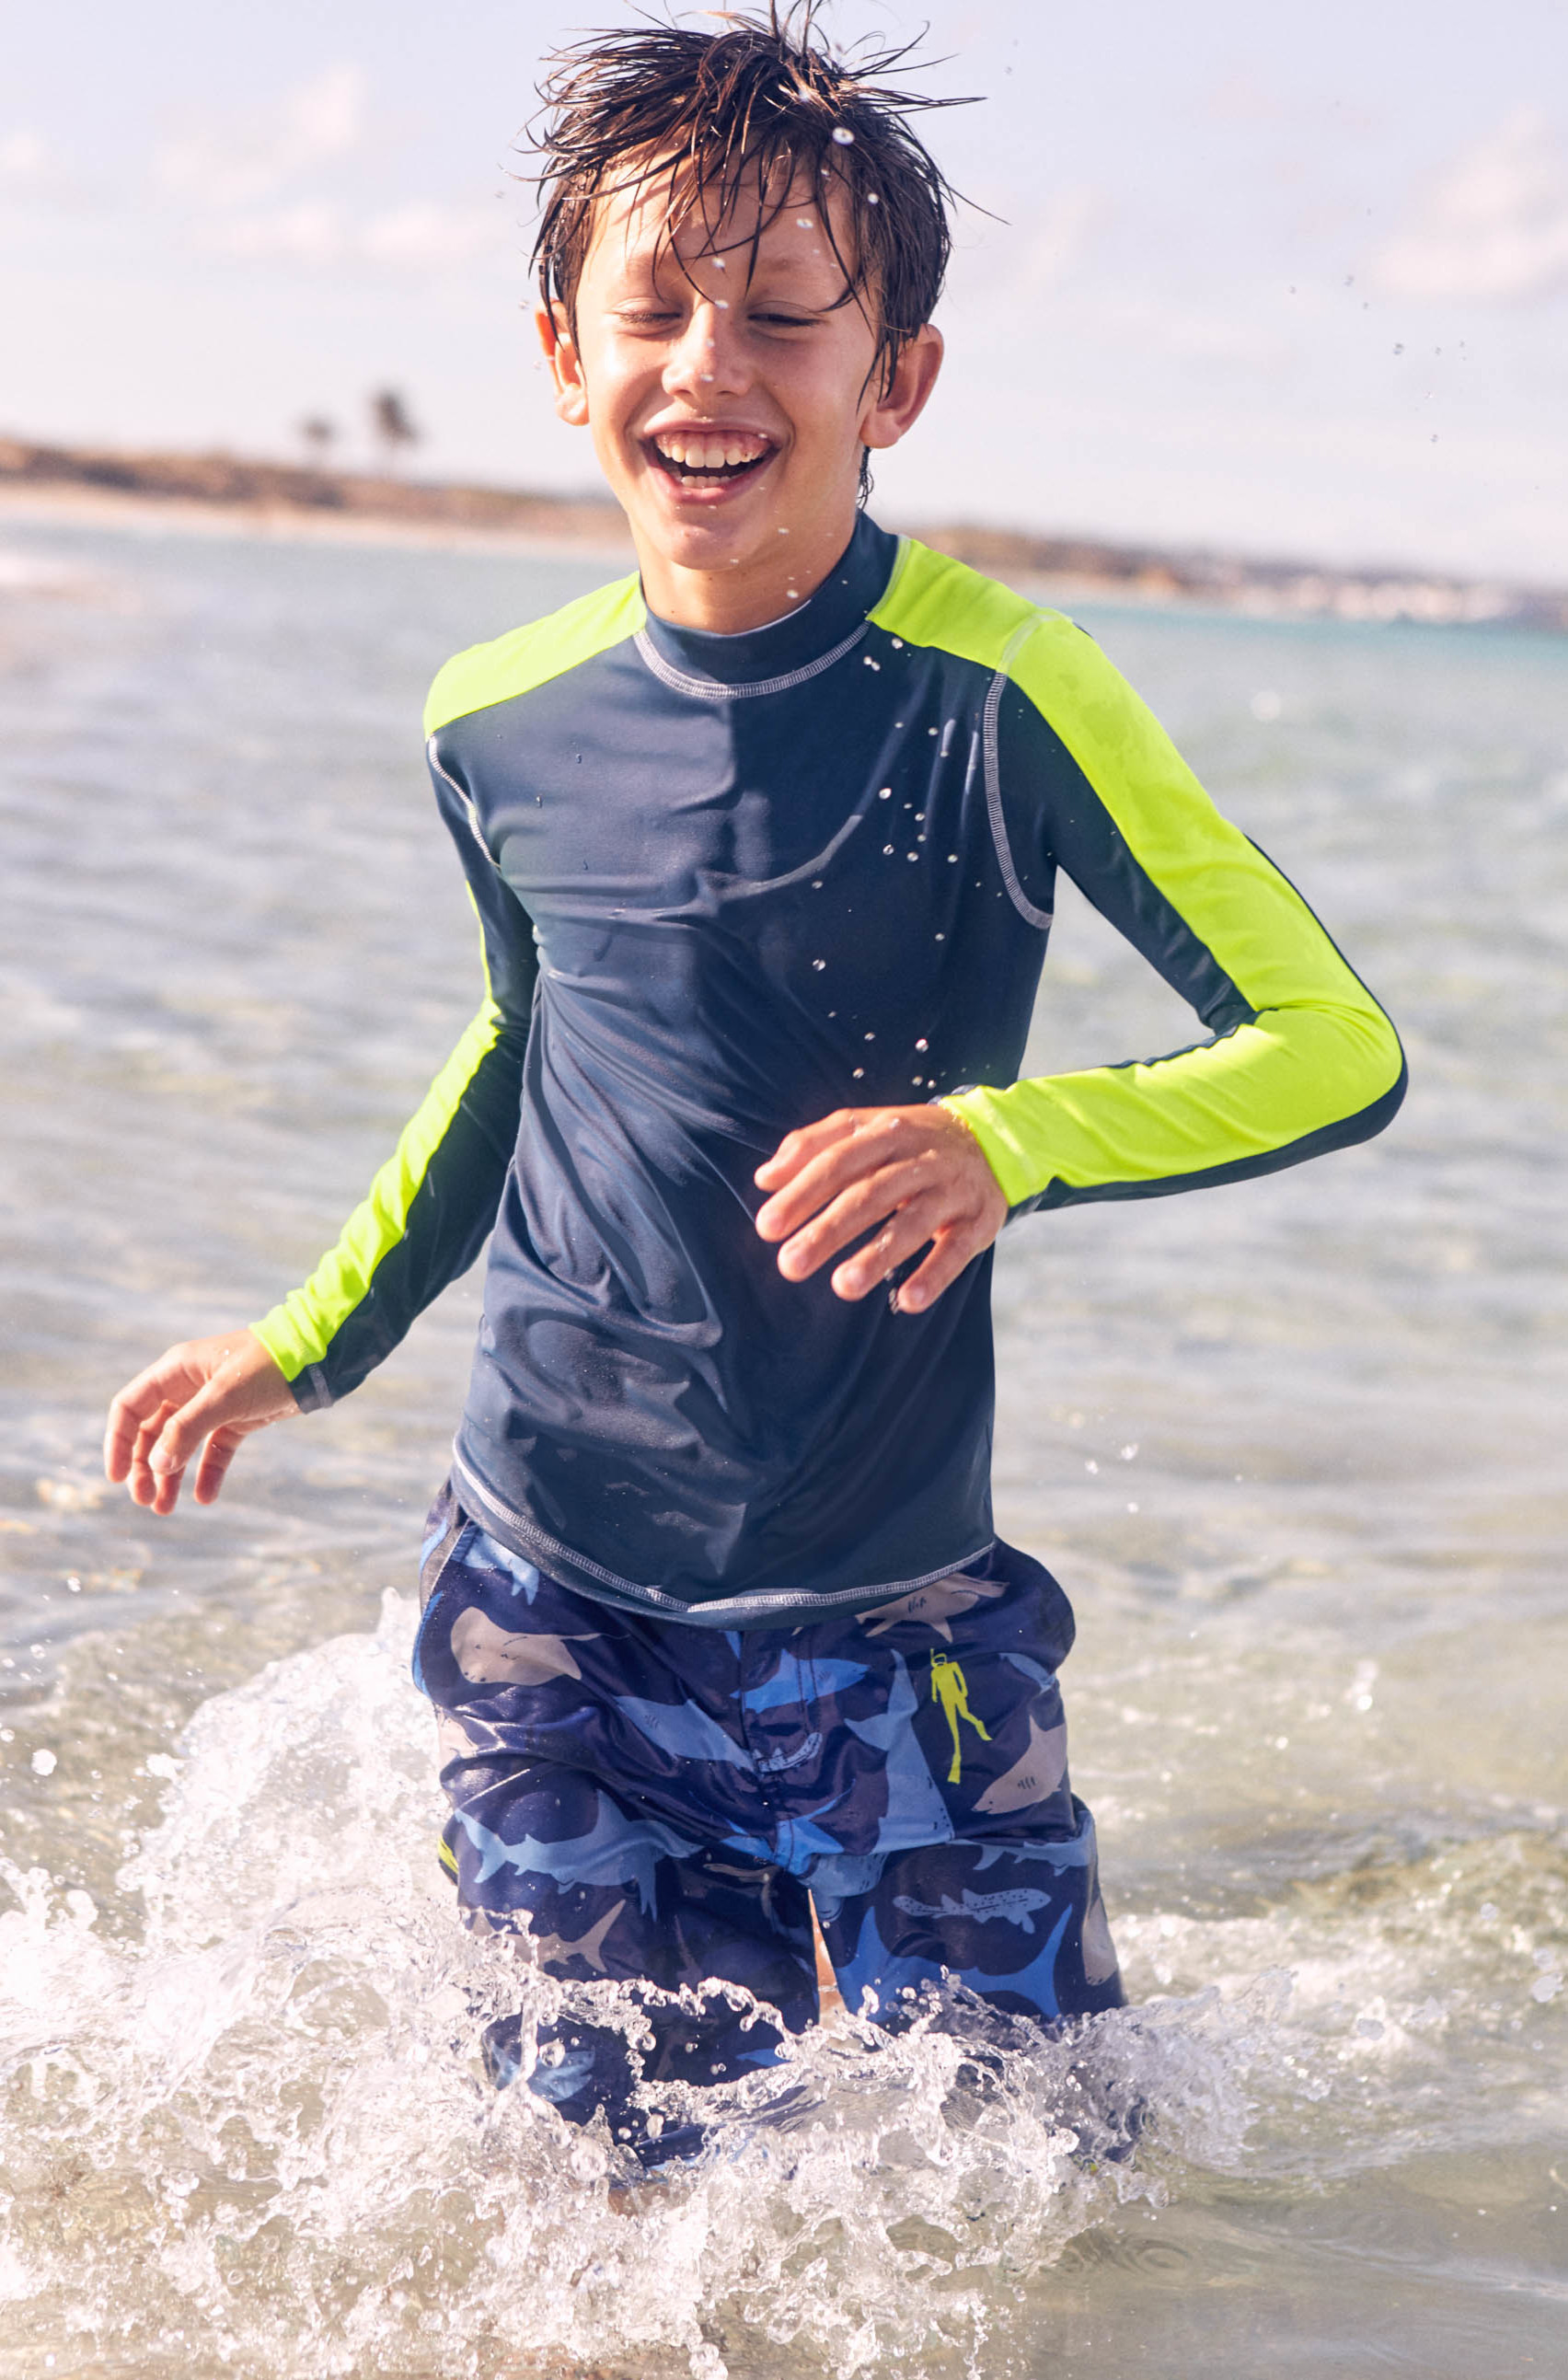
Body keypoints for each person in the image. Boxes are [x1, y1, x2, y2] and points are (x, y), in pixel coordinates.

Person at [103, 11, 1404, 2166]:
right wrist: (311, 1339)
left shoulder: (1002, 689)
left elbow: (1332, 1045)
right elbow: (523, 1040)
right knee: (600, 2171)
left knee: (1030, 2176)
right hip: (543, 1584)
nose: (710, 368)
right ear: (563, 356)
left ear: (896, 379)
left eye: (785, 316)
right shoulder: (494, 715)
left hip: (879, 1604)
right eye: (654, 310)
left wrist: (1007, 1139)